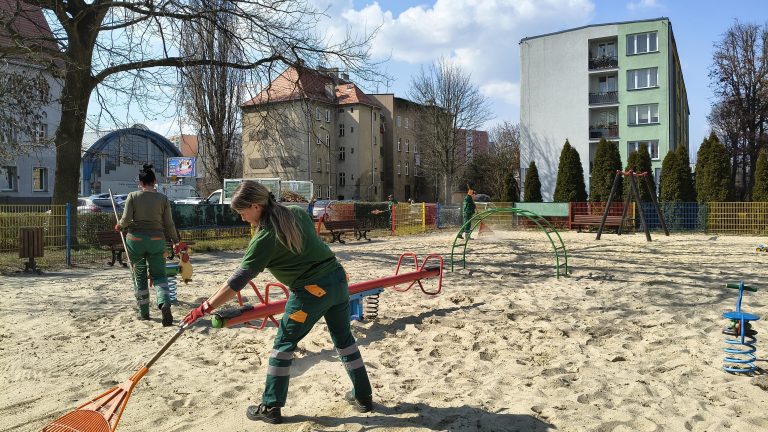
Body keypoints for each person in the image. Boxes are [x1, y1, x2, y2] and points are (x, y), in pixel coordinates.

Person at [181, 180, 373, 424]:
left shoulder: (264, 239)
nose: (242, 218)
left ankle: (271, 407)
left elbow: (237, 282)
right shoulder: (294, 214)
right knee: (344, 339)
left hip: (311, 292)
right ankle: (363, 396)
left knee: (284, 345)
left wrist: (205, 307)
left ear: (255, 206)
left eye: (242, 212)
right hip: (337, 281)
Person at [116, 164, 183, 326]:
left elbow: (125, 220)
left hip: (135, 241)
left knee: (139, 277)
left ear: (140, 182)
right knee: (160, 275)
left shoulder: (133, 196)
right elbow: (169, 223)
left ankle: (144, 313)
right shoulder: (163, 199)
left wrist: (119, 226)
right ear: (154, 181)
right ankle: (164, 303)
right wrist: (175, 241)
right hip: (157, 241)